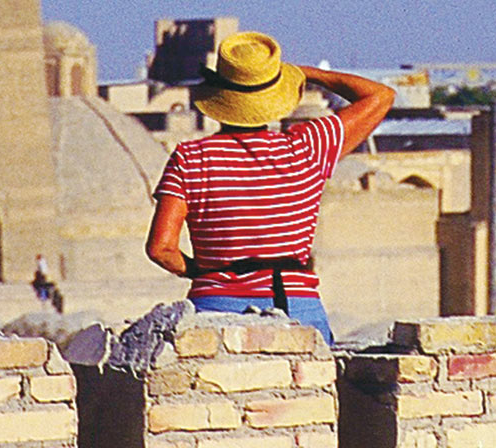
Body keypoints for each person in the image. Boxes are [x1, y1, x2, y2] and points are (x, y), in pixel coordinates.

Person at [145, 31, 394, 343]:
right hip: (295, 307)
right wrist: (307, 74)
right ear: (274, 95)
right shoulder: (307, 147)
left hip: (214, 310)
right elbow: (381, 96)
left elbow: (161, 249)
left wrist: (207, 273)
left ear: (219, 95)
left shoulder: (189, 159)